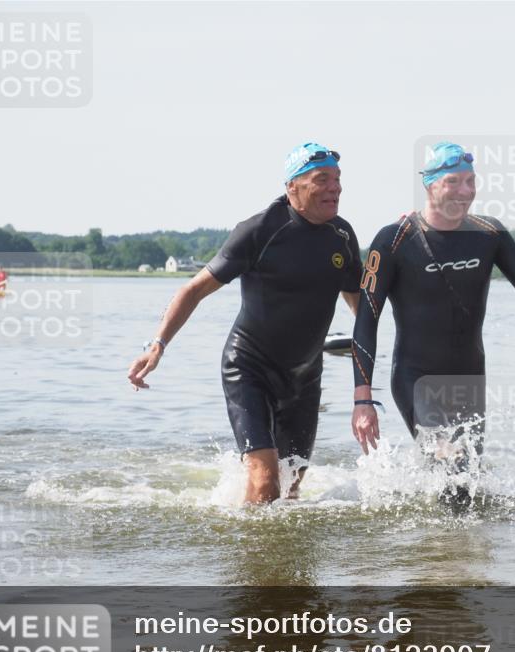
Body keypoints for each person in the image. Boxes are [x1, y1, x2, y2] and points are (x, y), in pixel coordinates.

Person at [127, 142, 362, 504]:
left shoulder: (342, 236)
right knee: (266, 481)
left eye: (338, 179)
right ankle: (248, 539)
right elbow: (193, 290)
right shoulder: (260, 230)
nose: (335, 188)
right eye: (322, 179)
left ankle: (270, 541)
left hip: (305, 376)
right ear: (292, 186)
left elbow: (359, 304)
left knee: (290, 488)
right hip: (249, 369)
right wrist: (156, 346)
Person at [350, 142, 515, 494]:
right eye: (453, 182)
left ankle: (437, 524)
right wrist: (363, 398)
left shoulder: (488, 235)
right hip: (416, 379)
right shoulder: (395, 240)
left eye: (471, 181)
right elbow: (366, 320)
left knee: (465, 488)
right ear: (429, 184)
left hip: (469, 380)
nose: (465, 191)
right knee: (450, 463)